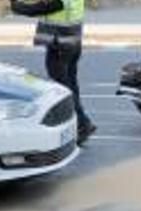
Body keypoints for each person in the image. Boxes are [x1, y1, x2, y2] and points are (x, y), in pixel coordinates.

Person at [34, 0, 95, 144]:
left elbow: (50, 6)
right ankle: (80, 125)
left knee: (62, 87)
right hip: (72, 40)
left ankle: (82, 124)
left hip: (59, 43)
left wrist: (18, 7)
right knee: (71, 84)